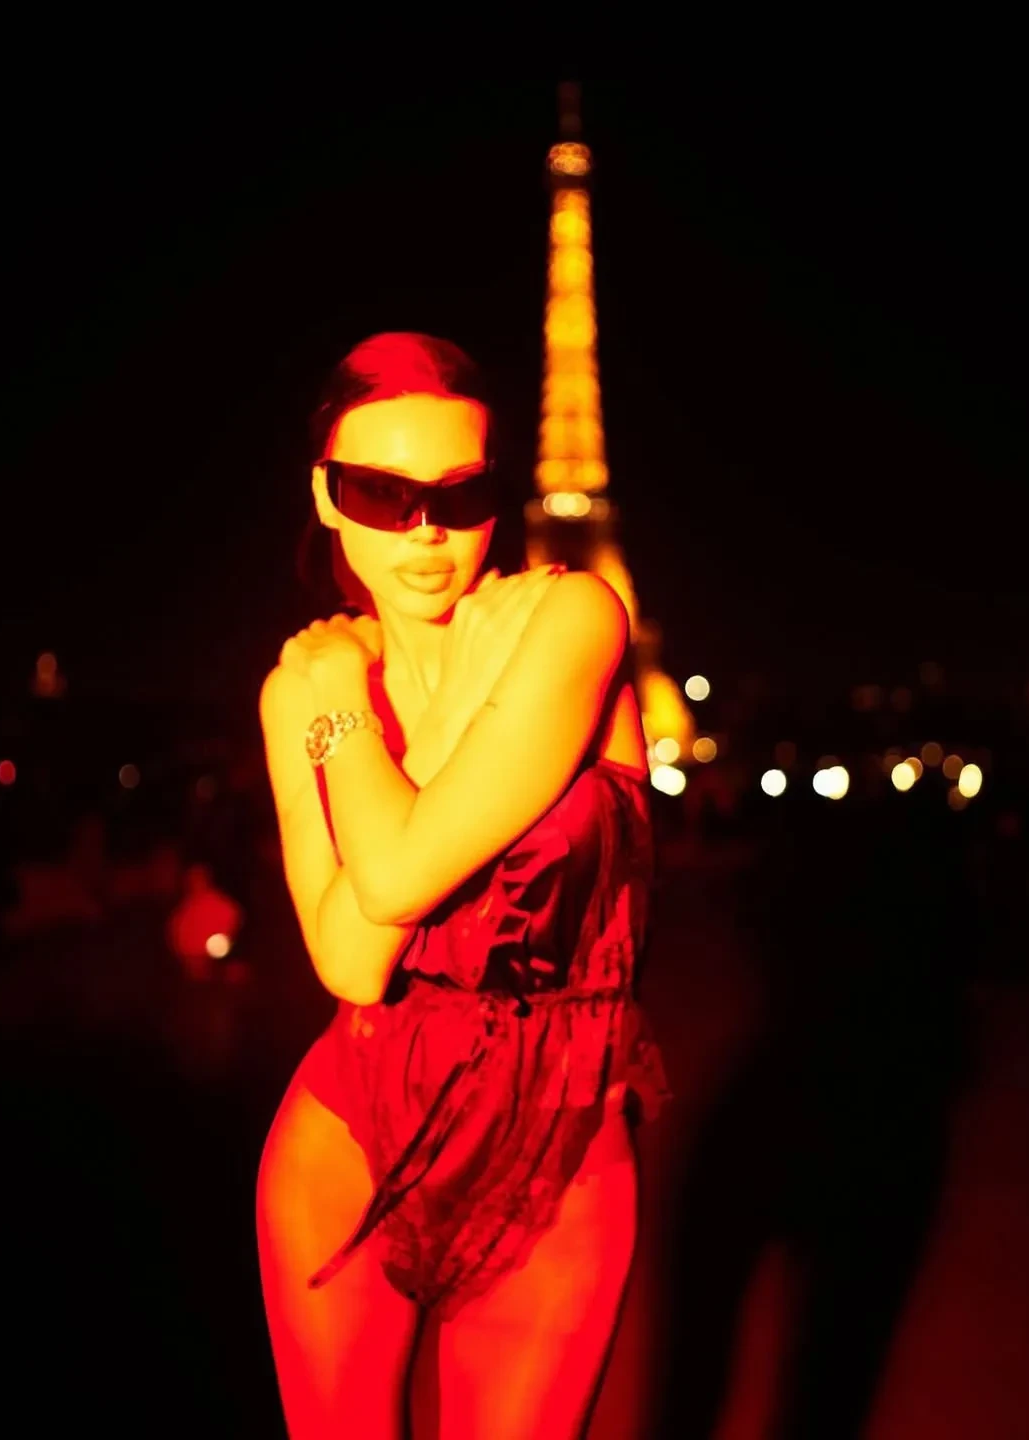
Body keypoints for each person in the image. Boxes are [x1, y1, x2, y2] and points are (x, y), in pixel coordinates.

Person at [256, 332, 671, 1438]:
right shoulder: (308, 684)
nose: (425, 531)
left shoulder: (574, 619)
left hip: (560, 1141)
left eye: (458, 493)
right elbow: (353, 961)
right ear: (326, 497)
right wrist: (353, 693)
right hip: (348, 1135)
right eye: (380, 494)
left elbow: (390, 876)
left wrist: (363, 711)